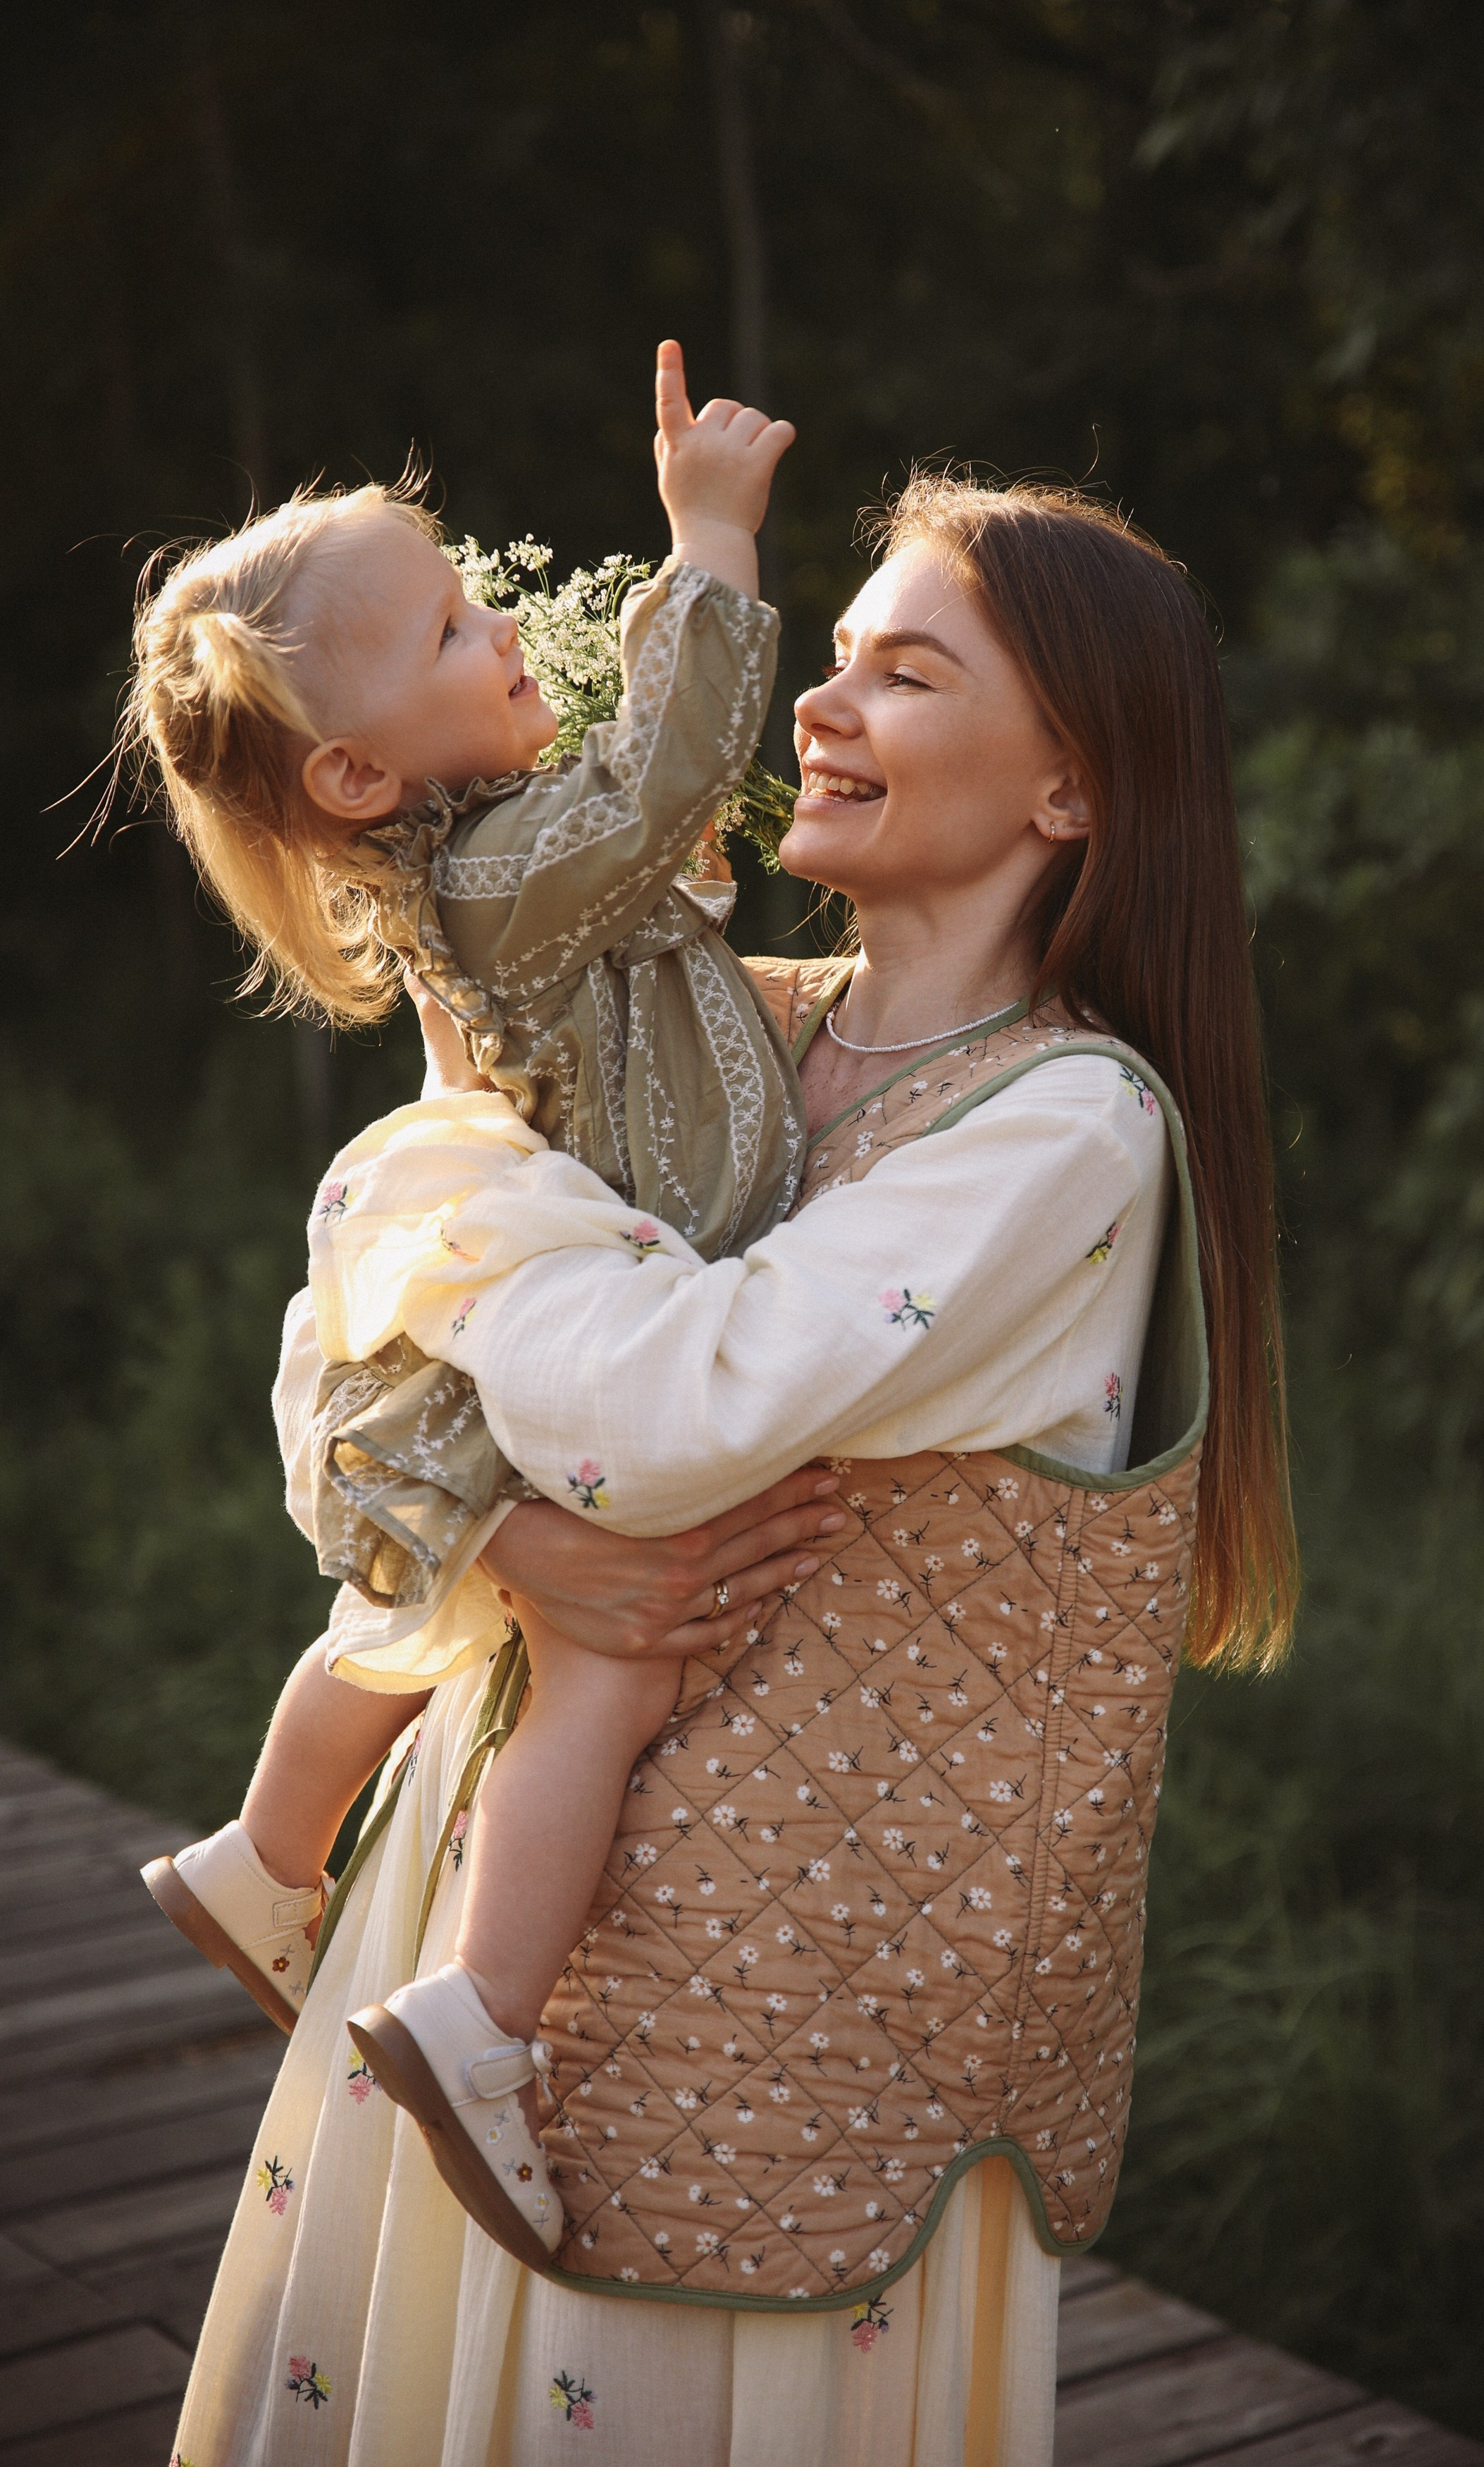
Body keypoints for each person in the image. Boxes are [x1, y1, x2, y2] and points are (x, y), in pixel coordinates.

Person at [172, 471, 1296, 2467]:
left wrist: (446, 1187)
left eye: (908, 669)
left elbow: (664, 1401)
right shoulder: (726, 1042)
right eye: (835, 653)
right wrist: (507, 1537)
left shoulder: (1068, 1135)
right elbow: (336, 1370)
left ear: (1070, 793)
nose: (824, 704)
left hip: (801, 2039)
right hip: (481, 1953)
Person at [129, 345, 836, 2262]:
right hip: (609, 1312)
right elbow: (673, 765)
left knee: (424, 1593)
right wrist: (707, 538)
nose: (504, 620)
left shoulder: (483, 863)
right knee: (605, 1668)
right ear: (355, 773)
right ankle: (480, 2019)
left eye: (477, 592)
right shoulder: (509, 869)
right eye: (452, 627)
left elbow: (653, 856)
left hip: (563, 1290)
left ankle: (266, 1851)